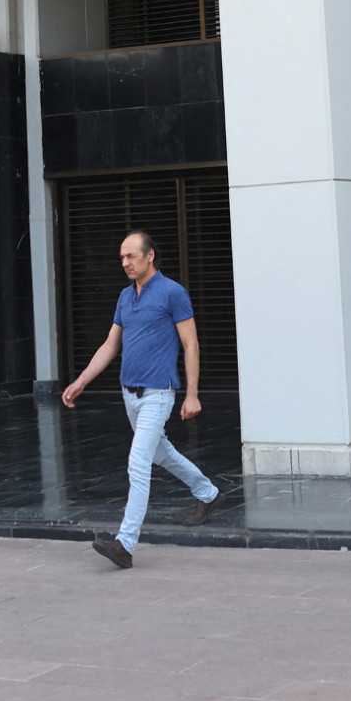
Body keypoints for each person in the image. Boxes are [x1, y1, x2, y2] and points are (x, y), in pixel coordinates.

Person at [61, 230, 221, 569]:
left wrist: (191, 394)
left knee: (138, 462)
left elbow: (191, 344)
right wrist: (81, 381)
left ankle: (125, 544)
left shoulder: (172, 293)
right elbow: (110, 346)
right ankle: (207, 493)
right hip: (129, 394)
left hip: (159, 393)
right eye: (122, 257)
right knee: (160, 453)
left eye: (131, 256)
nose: (125, 263)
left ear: (150, 256)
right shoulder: (124, 297)